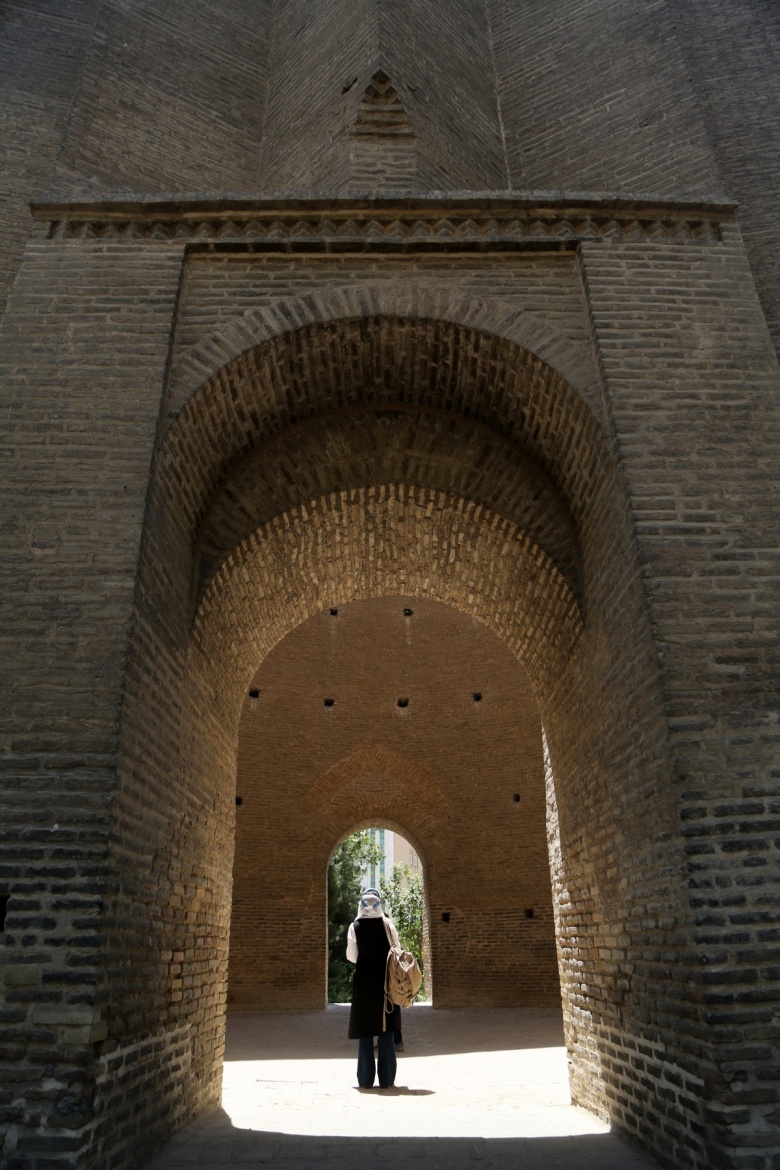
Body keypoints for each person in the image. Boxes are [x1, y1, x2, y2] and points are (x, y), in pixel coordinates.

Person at [346, 888, 402, 1088]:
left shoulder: (355, 927)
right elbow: (397, 951)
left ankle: (365, 1079)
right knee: (386, 1030)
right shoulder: (388, 925)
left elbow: (352, 957)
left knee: (365, 1030)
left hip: (364, 983)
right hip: (386, 983)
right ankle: (387, 1080)